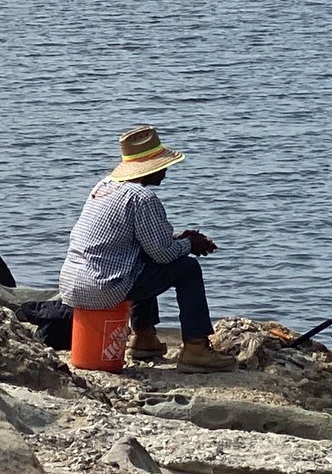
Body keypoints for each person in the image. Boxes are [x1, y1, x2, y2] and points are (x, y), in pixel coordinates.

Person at [58, 125, 237, 373]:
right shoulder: (142, 198)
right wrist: (190, 245)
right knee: (187, 268)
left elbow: (138, 240)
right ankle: (196, 348)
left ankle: (143, 337)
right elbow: (163, 254)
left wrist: (178, 239)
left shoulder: (104, 186)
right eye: (162, 166)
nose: (166, 171)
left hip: (73, 283)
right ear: (149, 168)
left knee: (141, 259)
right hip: (104, 287)